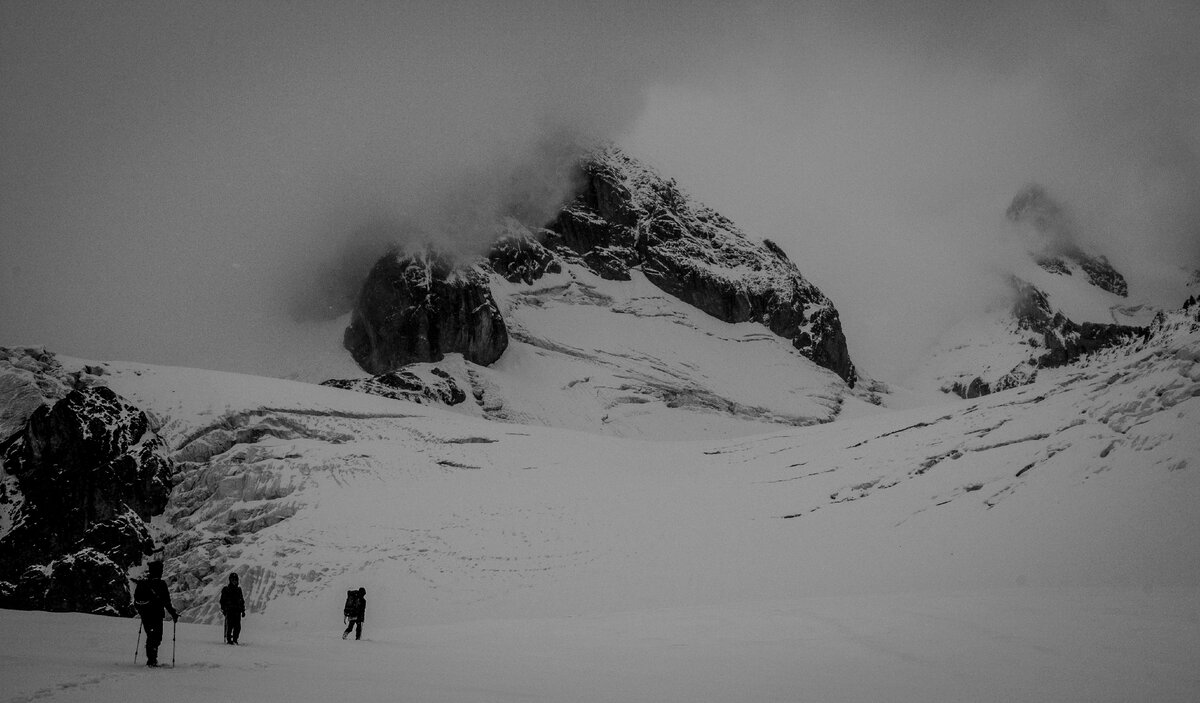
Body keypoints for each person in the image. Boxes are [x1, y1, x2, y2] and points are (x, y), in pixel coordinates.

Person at [132, 561, 179, 667]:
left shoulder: (143, 583)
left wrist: (141, 611)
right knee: (156, 636)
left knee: (151, 635)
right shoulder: (161, 584)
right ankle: (152, 660)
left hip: (145, 614)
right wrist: (173, 613)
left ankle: (151, 659)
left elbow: (136, 600)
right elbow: (166, 601)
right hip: (157, 614)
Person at [219, 573, 246, 645]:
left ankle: (235, 639)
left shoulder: (238, 590)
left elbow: (241, 601)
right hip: (230, 611)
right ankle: (229, 640)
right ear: (230, 580)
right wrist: (224, 609)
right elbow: (222, 601)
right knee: (230, 626)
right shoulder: (226, 589)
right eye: (233, 580)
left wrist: (243, 611)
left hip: (237, 611)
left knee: (237, 627)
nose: (234, 581)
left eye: (235, 580)